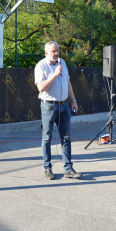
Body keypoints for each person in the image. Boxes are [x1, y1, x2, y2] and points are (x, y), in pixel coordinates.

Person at [34, 41, 82, 180]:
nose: (56, 54)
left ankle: (68, 168)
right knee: (47, 138)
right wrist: (54, 74)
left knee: (66, 138)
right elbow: (41, 88)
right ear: (46, 53)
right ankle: (47, 168)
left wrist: (73, 101)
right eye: (53, 51)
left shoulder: (63, 63)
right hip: (49, 106)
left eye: (58, 51)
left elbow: (67, 82)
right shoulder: (41, 66)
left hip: (64, 106)